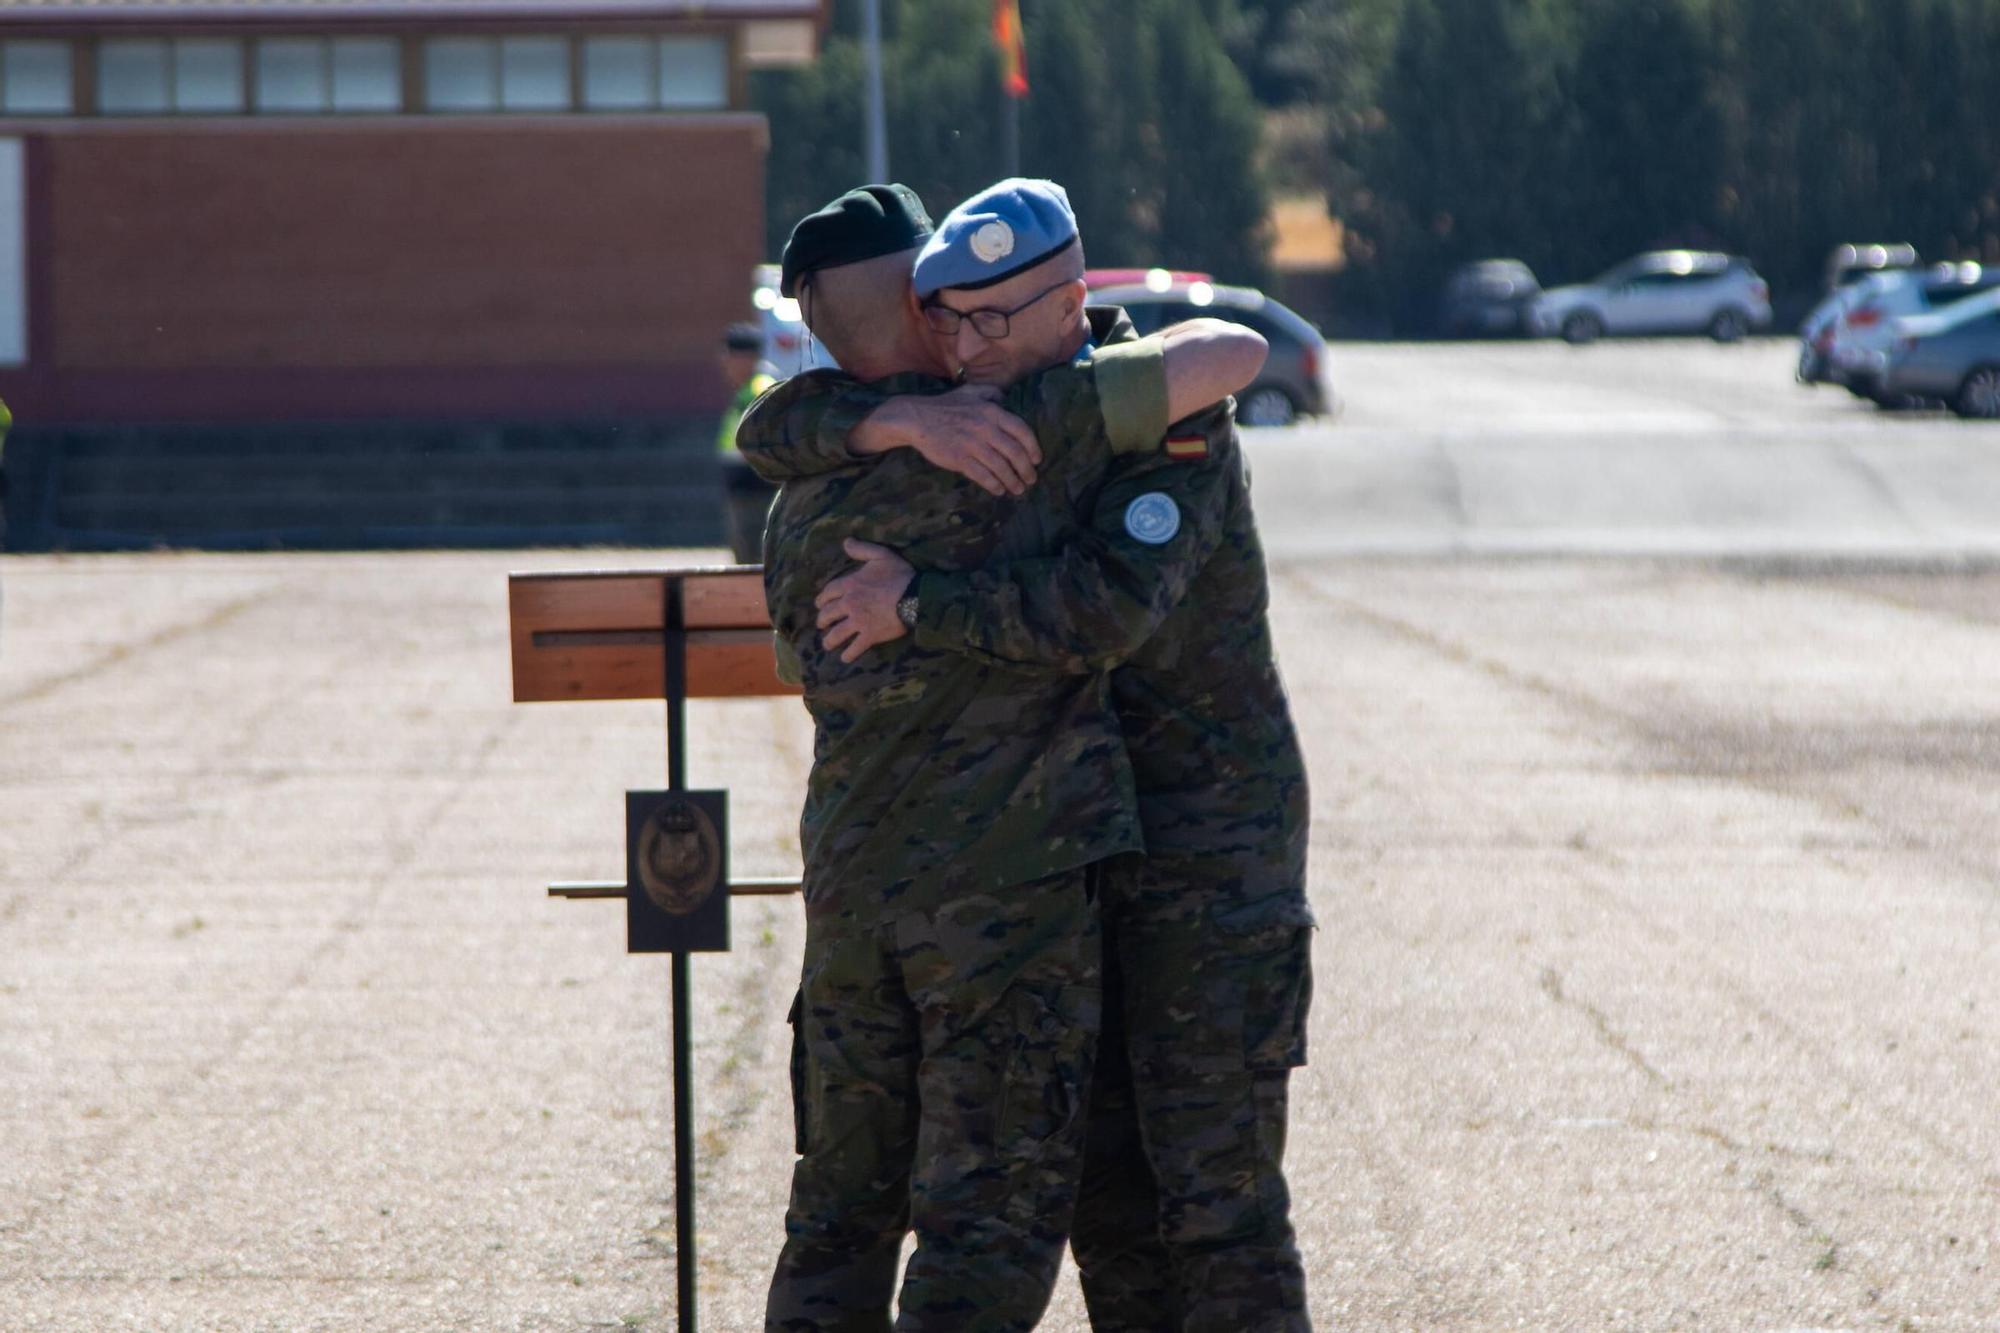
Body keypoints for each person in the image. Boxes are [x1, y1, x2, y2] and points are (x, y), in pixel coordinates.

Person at [744, 178, 1314, 1332]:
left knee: (1213, 1201)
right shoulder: (987, 417)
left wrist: (920, 603)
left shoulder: (1149, 420)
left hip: (1202, 855)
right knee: (1104, 1202)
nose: (964, 348)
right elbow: (781, 419)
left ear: (1069, 303)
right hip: (1075, 864)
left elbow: (1104, 611)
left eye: (990, 321)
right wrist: (886, 419)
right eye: (946, 318)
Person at [717, 322, 780, 563]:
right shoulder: (748, 389)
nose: (724, 362)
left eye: (729, 354)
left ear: (746, 357)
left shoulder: (758, 389)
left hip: (757, 493)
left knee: (752, 564)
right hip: (747, 490)